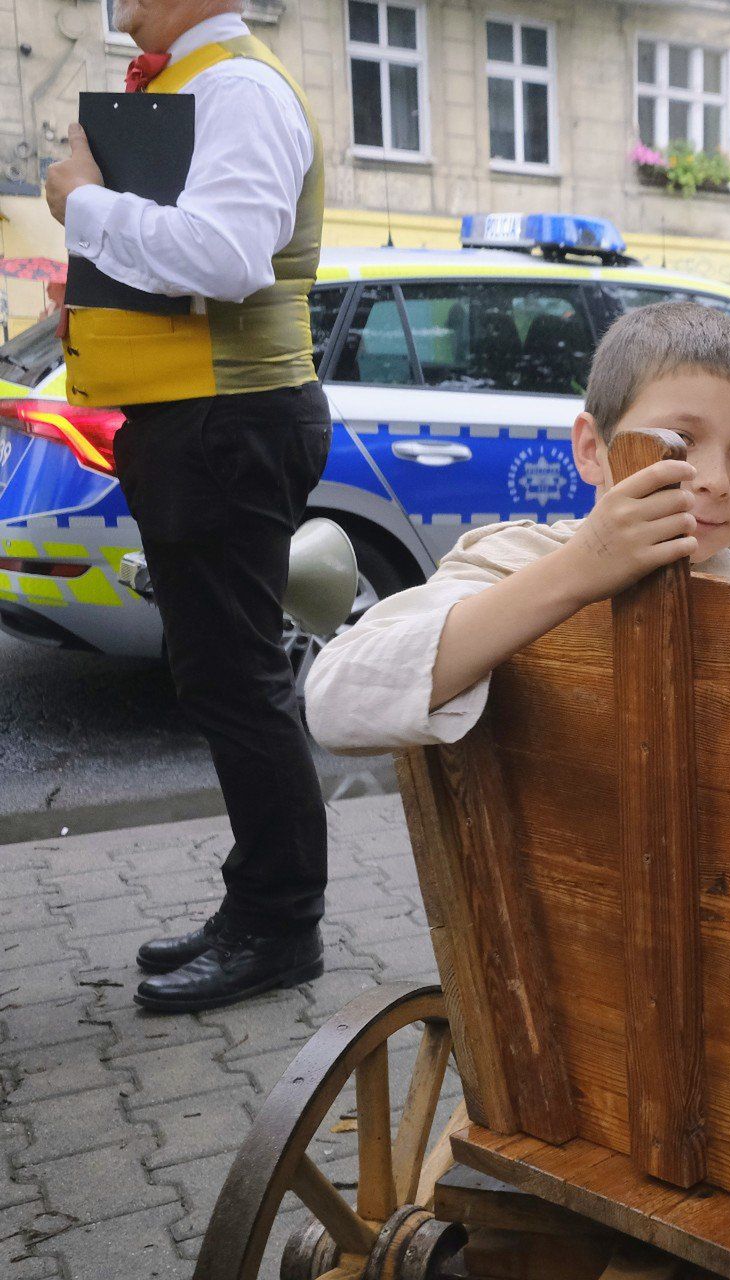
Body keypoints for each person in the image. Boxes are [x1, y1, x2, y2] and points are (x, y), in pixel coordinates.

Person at [42, 0, 331, 1012]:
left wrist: (81, 201)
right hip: (206, 422)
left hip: (231, 423)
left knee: (237, 678)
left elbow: (225, 258)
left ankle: (279, 927)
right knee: (219, 672)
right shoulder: (195, 85)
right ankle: (258, 903)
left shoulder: (236, 87)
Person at [304, 302, 730, 755]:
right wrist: (582, 566)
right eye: (678, 439)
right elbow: (334, 704)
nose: (716, 481)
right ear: (591, 449)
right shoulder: (510, 558)